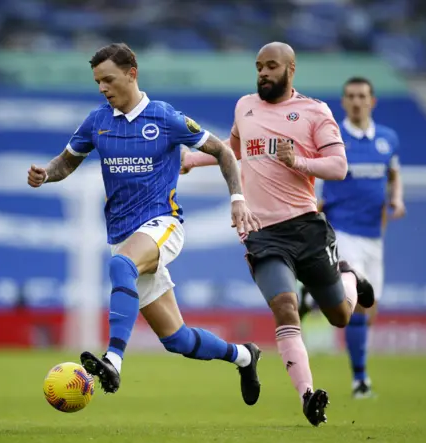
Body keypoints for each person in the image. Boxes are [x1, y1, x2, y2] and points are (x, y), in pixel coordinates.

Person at [27, 43, 263, 406]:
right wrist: (46, 174)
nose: (102, 88)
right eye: (97, 82)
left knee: (120, 266)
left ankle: (113, 360)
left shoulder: (164, 118)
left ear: (131, 74)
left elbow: (223, 151)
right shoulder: (97, 121)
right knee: (177, 339)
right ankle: (245, 356)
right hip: (123, 236)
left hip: (162, 224)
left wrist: (237, 198)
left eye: (108, 79)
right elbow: (67, 162)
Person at [180, 42, 375, 426]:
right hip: (262, 233)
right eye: (259, 67)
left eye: (271, 66)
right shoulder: (245, 106)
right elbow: (231, 150)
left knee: (339, 315)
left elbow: (338, 166)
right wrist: (191, 160)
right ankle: (307, 396)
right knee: (285, 307)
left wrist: (298, 161)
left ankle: (351, 277)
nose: (263, 73)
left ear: (291, 69)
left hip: (306, 228)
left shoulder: (314, 112)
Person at [299, 77, 405, 399]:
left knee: (368, 311)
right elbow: (314, 183)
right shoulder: (333, 138)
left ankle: (312, 296)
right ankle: (361, 382)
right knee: (358, 306)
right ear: (343, 102)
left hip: (374, 237)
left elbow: (394, 175)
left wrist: (397, 199)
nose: (356, 101)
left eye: (362, 96)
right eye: (350, 96)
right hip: (341, 232)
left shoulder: (388, 139)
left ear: (372, 101)